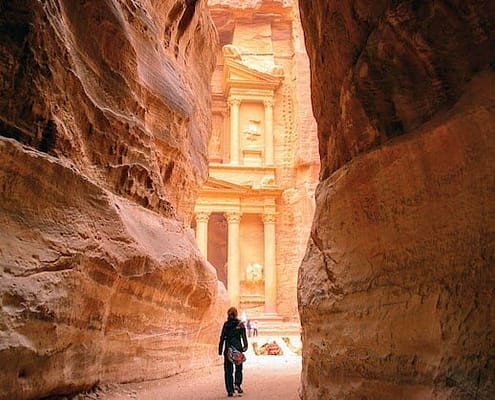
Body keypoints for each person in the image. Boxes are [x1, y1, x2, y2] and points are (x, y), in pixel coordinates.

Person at [218, 307, 248, 397]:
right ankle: (237, 384)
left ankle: (230, 390)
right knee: (238, 368)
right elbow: (244, 336)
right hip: (238, 348)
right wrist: (245, 346)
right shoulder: (240, 324)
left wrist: (220, 350)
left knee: (228, 370)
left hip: (228, 349)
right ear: (236, 314)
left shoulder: (226, 324)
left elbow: (222, 337)